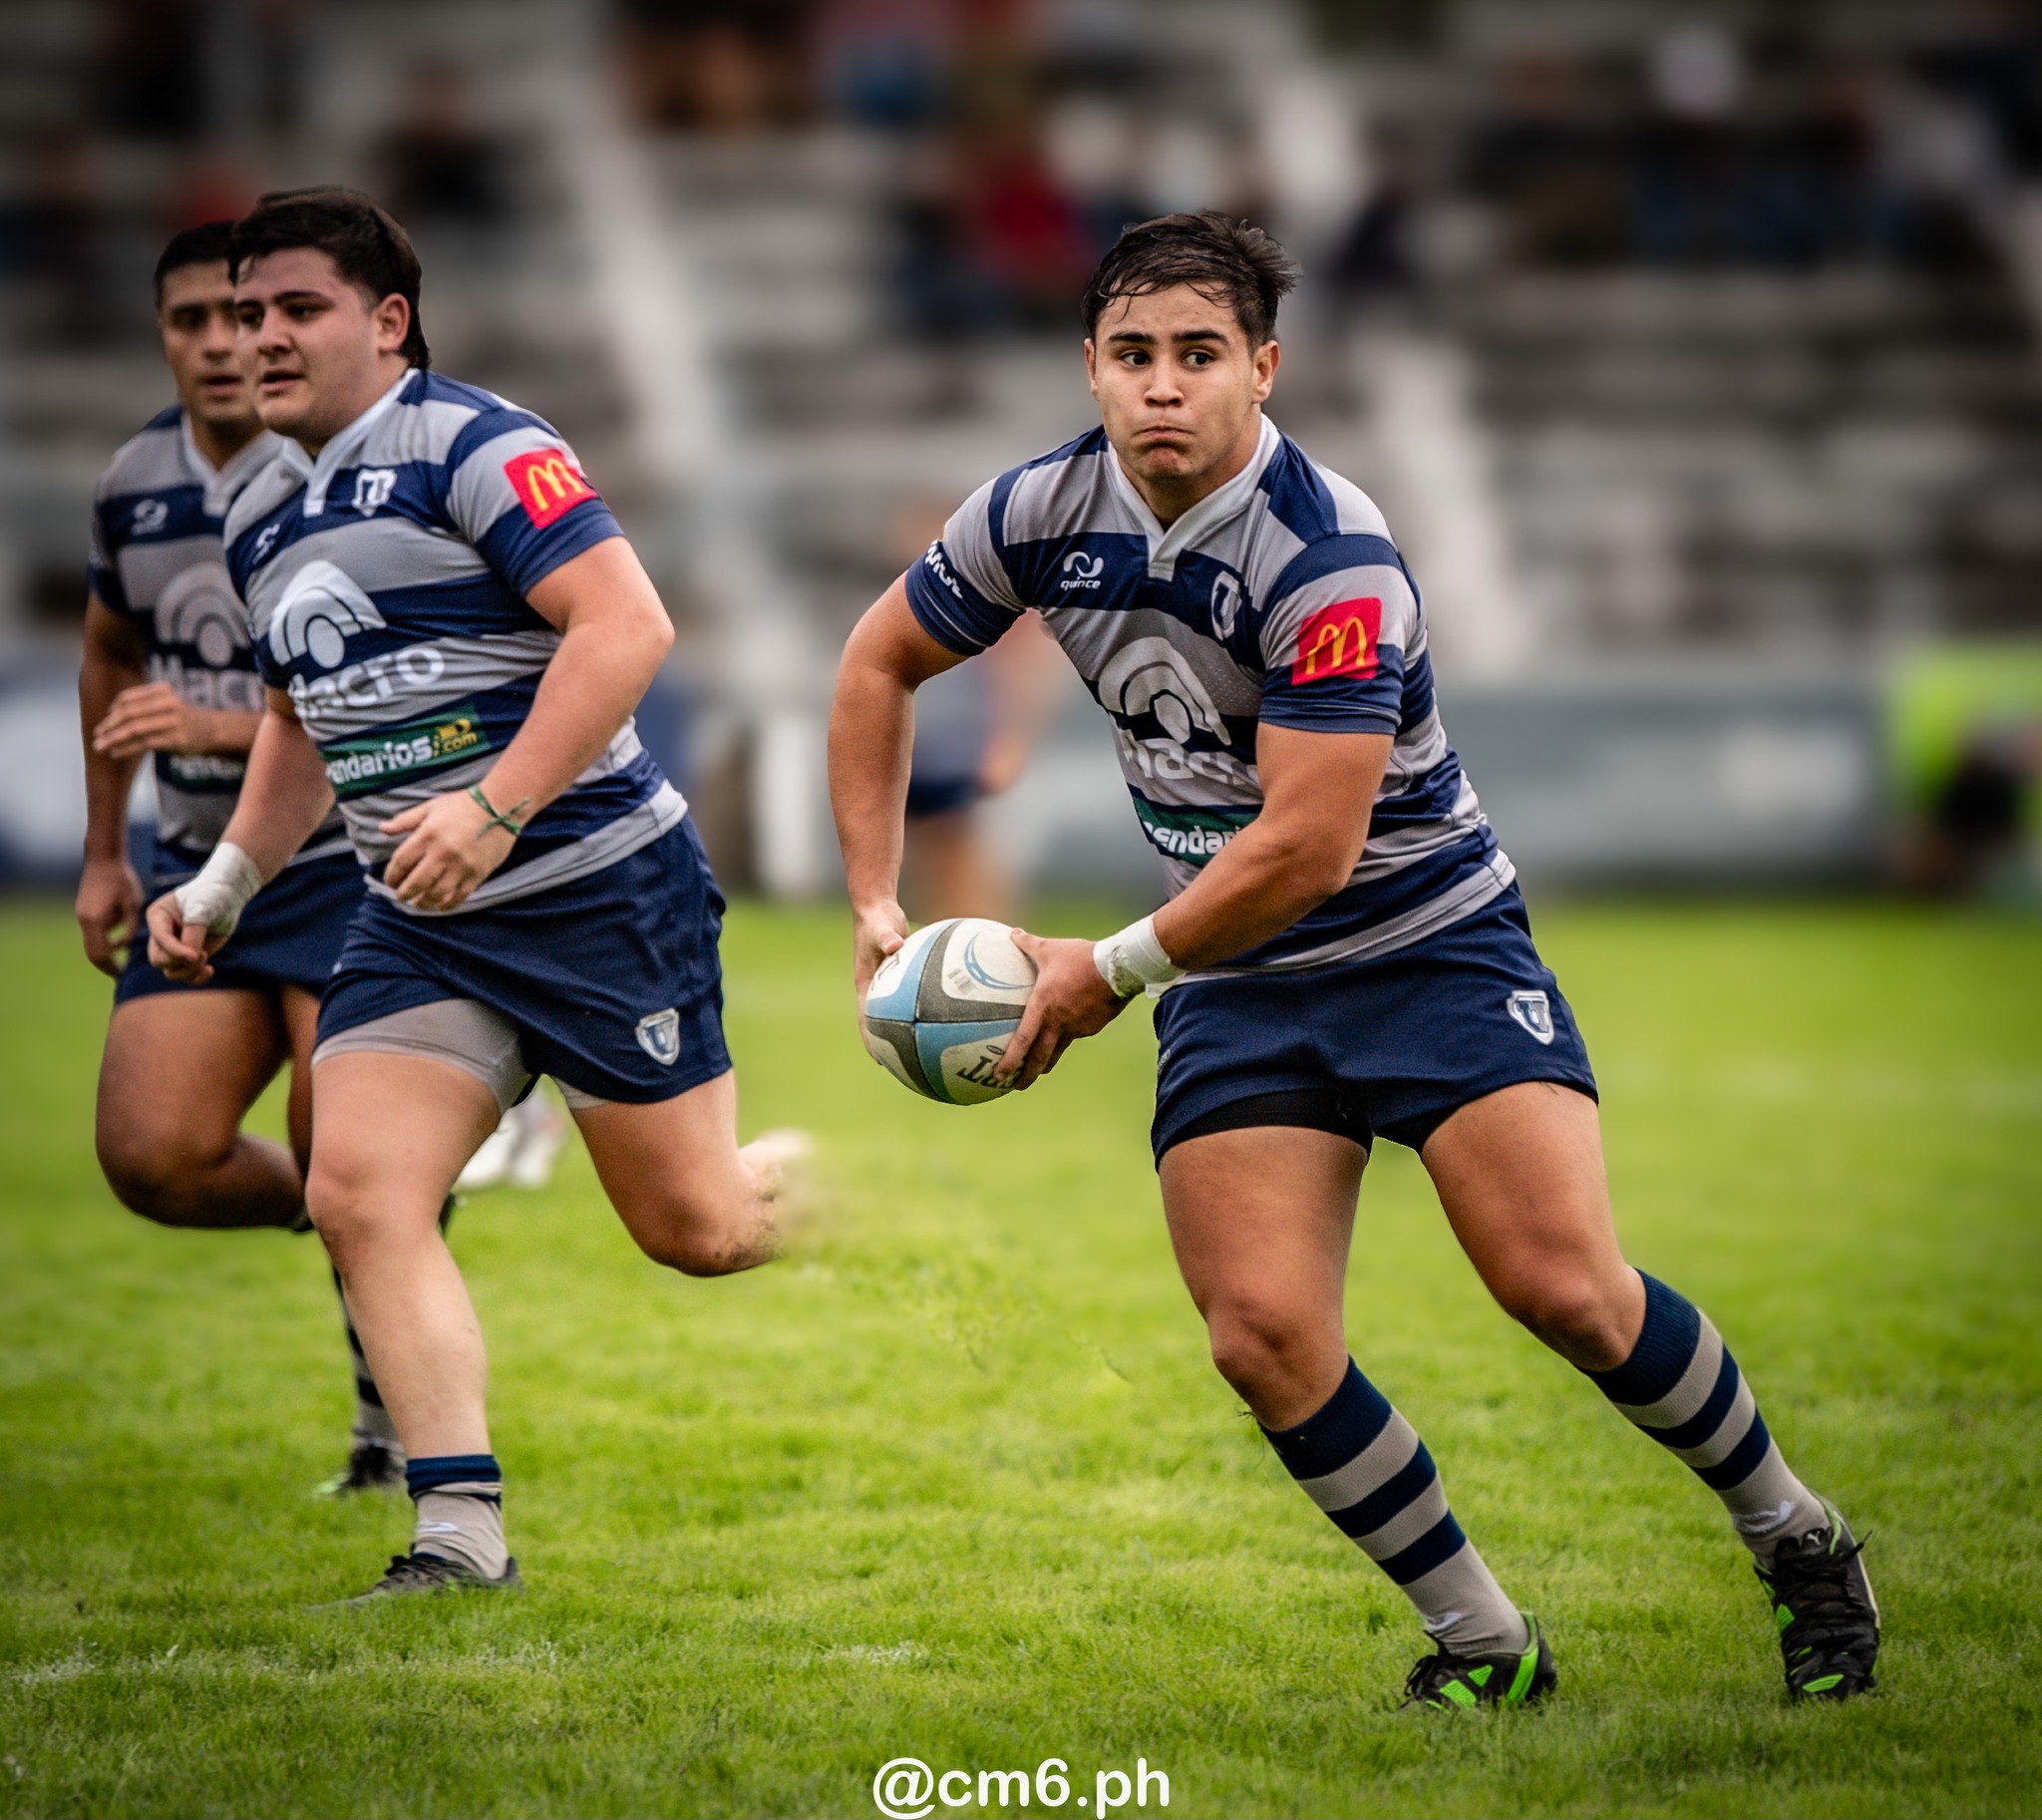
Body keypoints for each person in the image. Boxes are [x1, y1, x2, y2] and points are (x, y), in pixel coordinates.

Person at [829, 210, 1879, 1708]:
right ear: (1091, 368)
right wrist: (878, 896)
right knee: (1261, 1336)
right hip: (1234, 973)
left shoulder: (1332, 555)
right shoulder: (1031, 512)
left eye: (1199, 354)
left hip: (1424, 943)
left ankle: (1798, 1534)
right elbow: (878, 662)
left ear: (1265, 367)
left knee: (1565, 1288)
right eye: (1132, 356)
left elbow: (1308, 850)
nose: (1162, 387)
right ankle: (1485, 1643)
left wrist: (1104, 970)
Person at [146, 187, 799, 1600]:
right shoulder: (258, 504)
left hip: (596, 892)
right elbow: (300, 722)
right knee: (360, 1191)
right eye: (244, 312)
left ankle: (807, 1191)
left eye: (296, 309)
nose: (259, 337)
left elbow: (628, 626)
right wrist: (229, 878)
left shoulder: (479, 444)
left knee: (700, 1232)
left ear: (387, 321)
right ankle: (458, 1538)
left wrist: (498, 807)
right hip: (417, 917)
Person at [78, 220, 407, 1498]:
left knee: (348, 1143)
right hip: (186, 856)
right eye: (190, 323)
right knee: (152, 1158)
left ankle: (388, 1439)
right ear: (164, 335)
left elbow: (362, 681)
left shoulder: (334, 472)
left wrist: (220, 724)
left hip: (340, 856)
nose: (222, 344)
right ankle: (369, 1210)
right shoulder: (132, 484)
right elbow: (109, 653)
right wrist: (107, 852)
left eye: (244, 318)